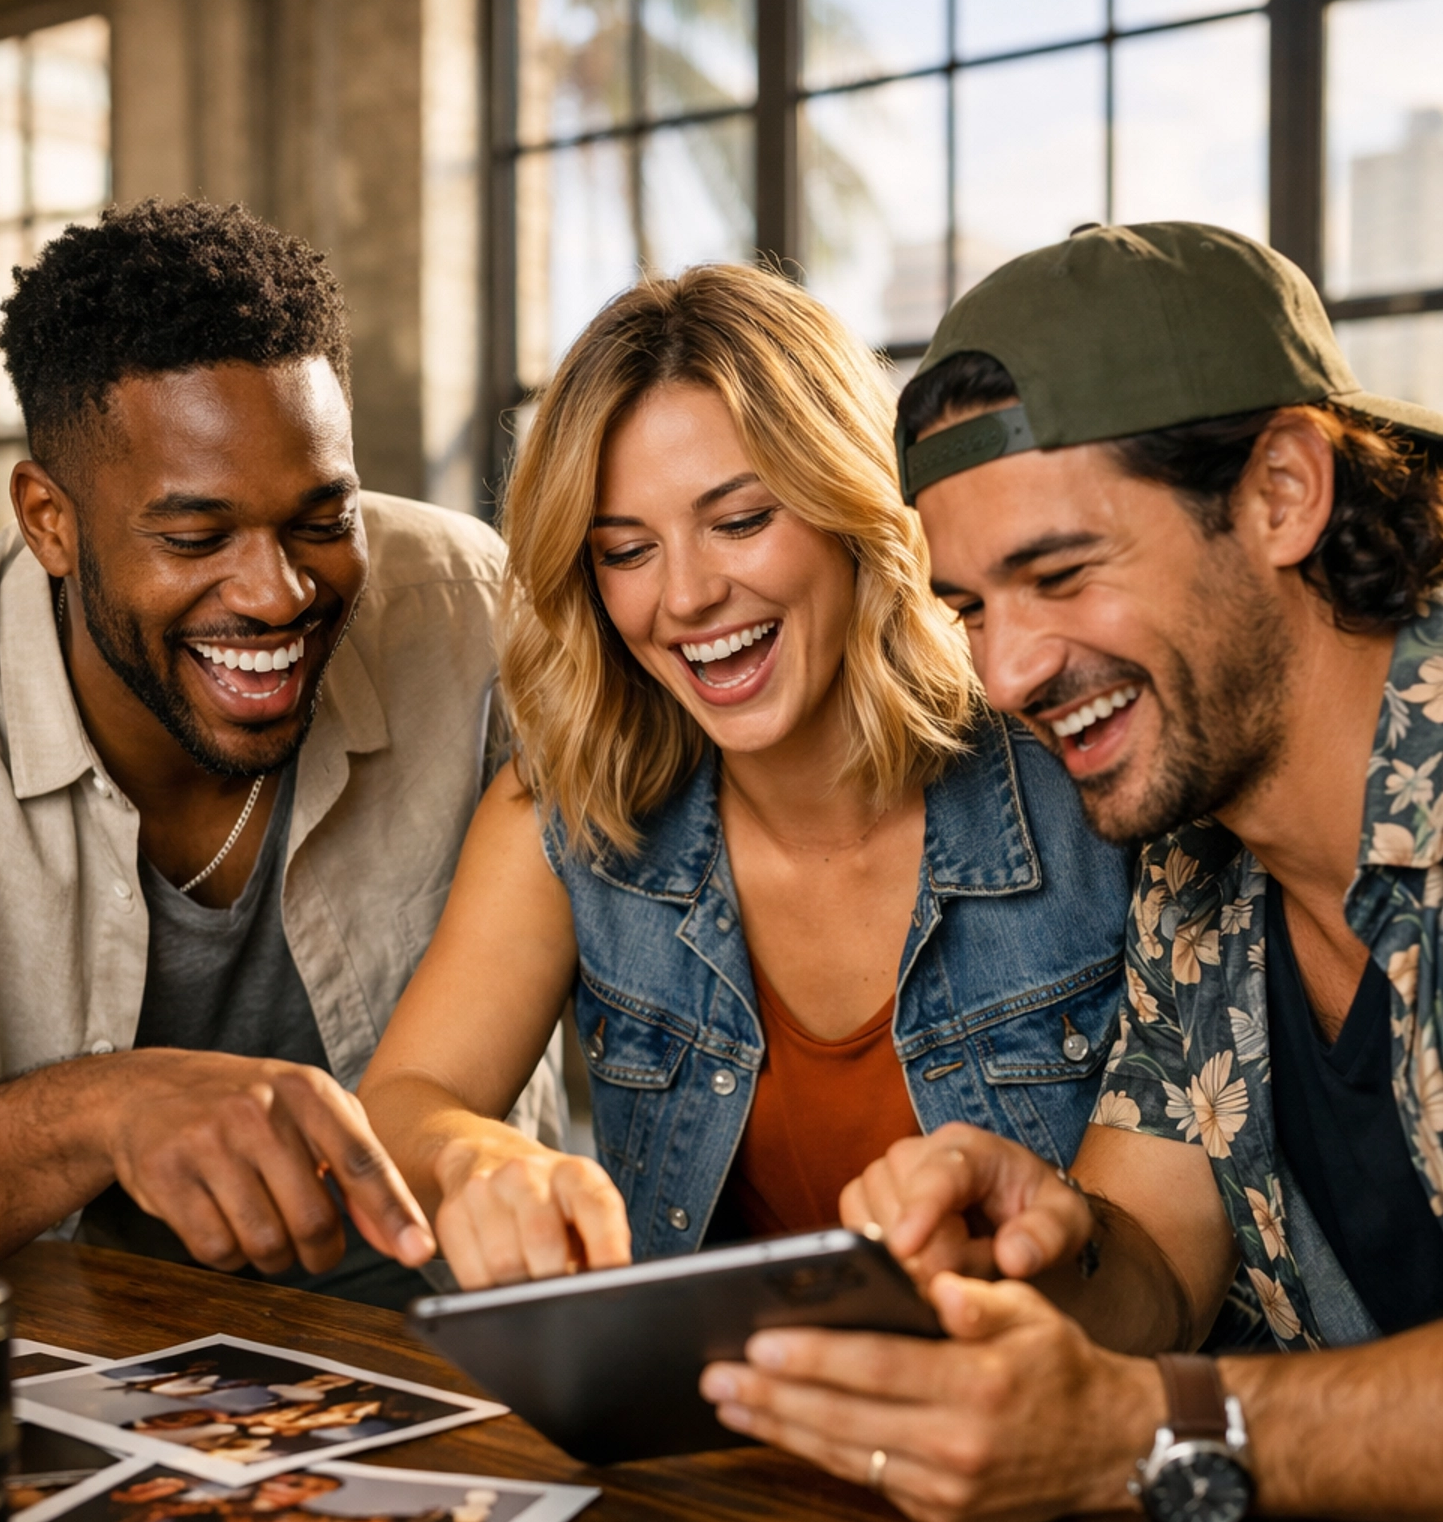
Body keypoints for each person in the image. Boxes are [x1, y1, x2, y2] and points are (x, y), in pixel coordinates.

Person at [699, 220, 1443, 1522]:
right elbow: (1154, 1265)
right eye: (972, 607)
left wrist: (1147, 1433)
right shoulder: (1197, 856)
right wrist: (1042, 1243)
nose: (1007, 676)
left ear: (1281, 493)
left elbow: (1147, 1410)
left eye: (1059, 575)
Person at [360, 263, 1129, 1284]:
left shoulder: (1085, 781)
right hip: (718, 1430)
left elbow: (1175, 1249)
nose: (685, 596)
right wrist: (473, 1157)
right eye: (626, 550)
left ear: (855, 508)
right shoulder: (573, 818)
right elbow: (406, 1095)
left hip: (1038, 1418)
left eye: (740, 522)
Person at [0, 197, 556, 1306]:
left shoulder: (464, 604)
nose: (278, 595)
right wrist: (106, 1107)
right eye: (197, 537)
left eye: (321, 520)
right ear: (48, 519)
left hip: (446, 1343)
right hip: (72, 1360)